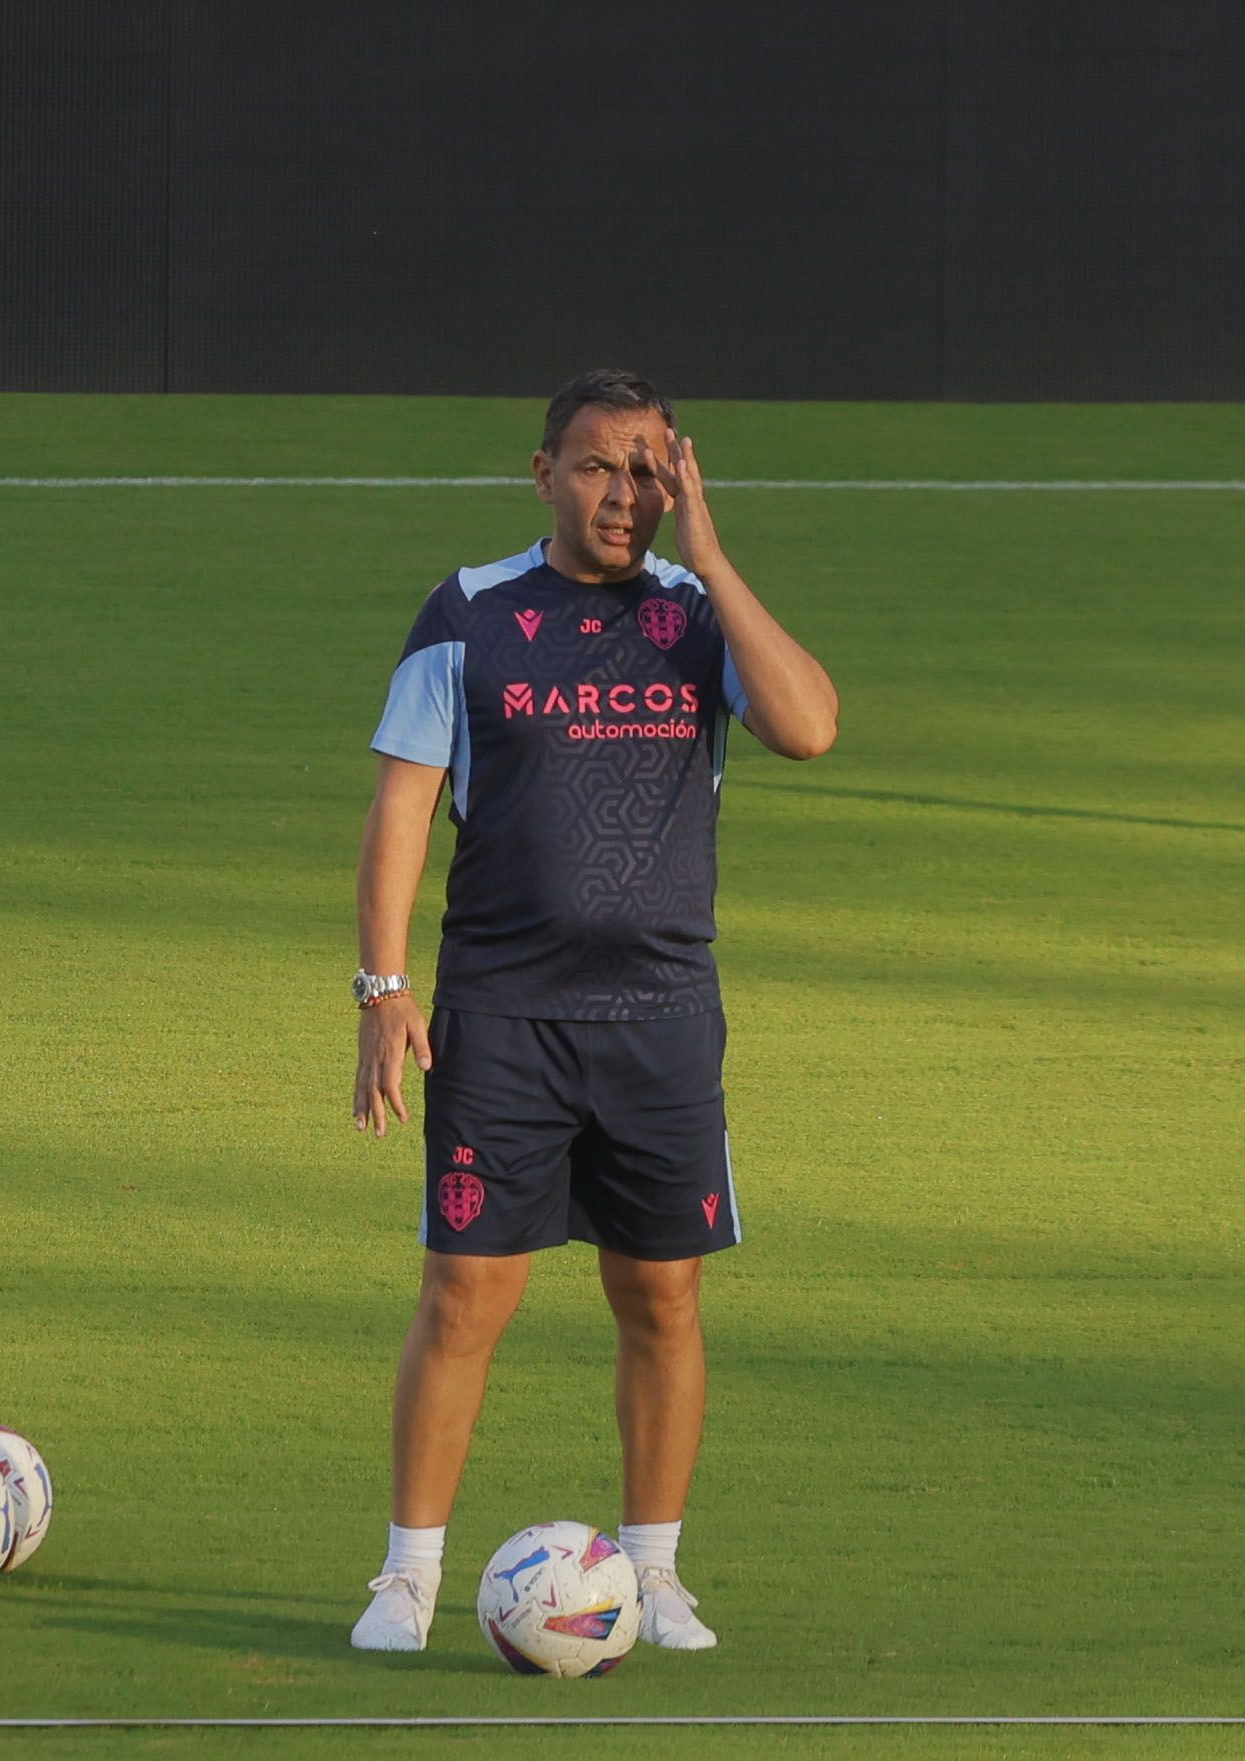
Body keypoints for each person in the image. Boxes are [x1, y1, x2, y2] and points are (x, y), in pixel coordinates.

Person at [348, 368, 839, 1655]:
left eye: (647, 469)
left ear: (675, 478)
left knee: (663, 1297)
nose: (623, 494)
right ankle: (407, 1577)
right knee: (463, 1294)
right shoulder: (471, 615)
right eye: (597, 466)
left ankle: (659, 1573)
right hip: (503, 1019)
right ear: (543, 473)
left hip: (663, 1018)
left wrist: (715, 555)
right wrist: (383, 988)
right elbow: (403, 808)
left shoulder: (694, 617)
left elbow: (810, 728)